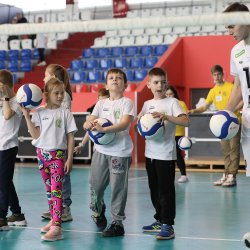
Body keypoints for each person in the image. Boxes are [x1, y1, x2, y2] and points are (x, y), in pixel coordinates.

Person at [20, 78, 77, 241]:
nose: (60, 96)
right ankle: (53, 219)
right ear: (46, 94)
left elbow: (71, 136)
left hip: (58, 156)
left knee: (56, 191)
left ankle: (57, 227)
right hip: (41, 155)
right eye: (56, 93)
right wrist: (26, 115)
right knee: (49, 192)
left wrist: (70, 158)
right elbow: (35, 135)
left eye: (62, 93)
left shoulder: (65, 113)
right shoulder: (39, 112)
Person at [139, 67, 189, 240]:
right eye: (155, 82)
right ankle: (159, 220)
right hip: (150, 154)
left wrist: (166, 117)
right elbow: (141, 123)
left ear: (166, 83)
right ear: (148, 85)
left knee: (165, 191)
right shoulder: (147, 105)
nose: (159, 85)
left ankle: (168, 225)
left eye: (162, 82)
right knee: (154, 189)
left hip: (166, 154)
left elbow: (185, 120)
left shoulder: (172, 102)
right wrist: (141, 121)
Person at [83, 68, 134, 237]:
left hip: (120, 152)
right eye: (111, 78)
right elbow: (91, 118)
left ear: (125, 85)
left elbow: (124, 124)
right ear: (106, 84)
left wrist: (105, 129)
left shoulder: (127, 103)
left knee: (118, 188)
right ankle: (98, 209)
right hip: (100, 151)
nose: (115, 80)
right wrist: (88, 123)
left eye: (119, 78)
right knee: (95, 186)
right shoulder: (101, 103)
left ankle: (117, 223)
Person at [189, 64, 241, 187]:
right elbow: (204, 107)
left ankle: (232, 176)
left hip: (234, 122)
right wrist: (194, 111)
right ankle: (226, 174)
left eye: (219, 74)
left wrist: (230, 112)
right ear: (212, 76)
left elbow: (240, 101)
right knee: (225, 150)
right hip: (221, 125)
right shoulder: (213, 91)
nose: (217, 76)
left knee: (234, 149)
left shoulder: (232, 87)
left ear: (223, 75)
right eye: (214, 75)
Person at [41, 64, 74, 222]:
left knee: (63, 177)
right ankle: (55, 207)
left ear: (53, 77)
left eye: (45, 75)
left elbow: (62, 120)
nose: (43, 78)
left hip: (60, 143)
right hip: (52, 143)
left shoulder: (63, 97)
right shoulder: (52, 97)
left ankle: (64, 208)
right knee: (53, 178)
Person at [0, 70, 27, 230]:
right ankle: (17, 214)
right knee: (6, 182)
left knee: (3, 184)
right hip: (1, 146)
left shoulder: (17, 101)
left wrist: (6, 96)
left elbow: (8, 115)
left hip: (8, 147)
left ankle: (2, 218)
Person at [74, 88, 109, 155]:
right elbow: (89, 131)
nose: (103, 104)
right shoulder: (95, 115)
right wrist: (82, 145)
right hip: (98, 150)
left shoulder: (111, 115)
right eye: (101, 101)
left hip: (112, 149)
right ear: (97, 100)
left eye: (105, 101)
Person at [165, 85, 189, 183]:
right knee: (168, 155)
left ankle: (183, 175)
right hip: (167, 133)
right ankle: (169, 174)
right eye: (166, 94)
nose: (168, 96)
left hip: (178, 133)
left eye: (170, 94)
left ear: (174, 95)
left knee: (177, 154)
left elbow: (183, 118)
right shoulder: (164, 104)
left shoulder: (180, 103)